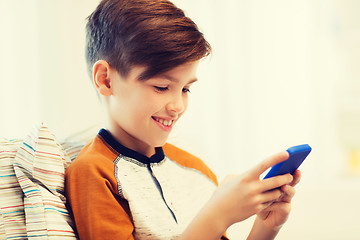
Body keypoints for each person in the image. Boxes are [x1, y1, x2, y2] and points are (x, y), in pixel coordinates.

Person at [64, 0, 301, 239]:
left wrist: (266, 228)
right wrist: (217, 215)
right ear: (106, 80)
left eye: (186, 89)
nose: (177, 106)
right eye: (161, 87)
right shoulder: (93, 173)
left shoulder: (196, 169)